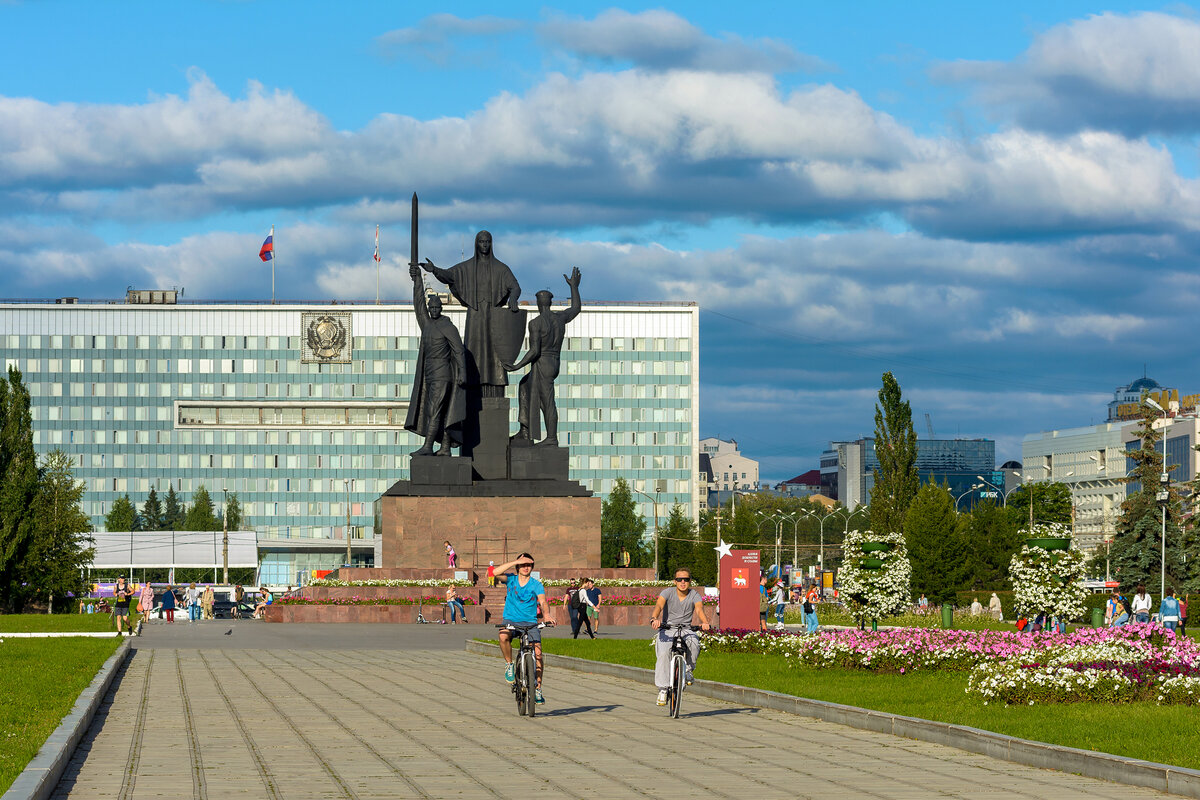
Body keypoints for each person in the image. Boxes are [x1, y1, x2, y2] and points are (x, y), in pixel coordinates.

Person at [421, 231, 522, 395]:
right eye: (482, 242)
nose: (485, 245)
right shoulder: (467, 267)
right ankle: (472, 386)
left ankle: (494, 388)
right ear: (476, 244)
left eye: (487, 242)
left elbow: (515, 286)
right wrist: (434, 270)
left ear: (491, 243)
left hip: (493, 317)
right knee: (473, 351)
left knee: (494, 352)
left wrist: (513, 299)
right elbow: (450, 275)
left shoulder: (501, 268)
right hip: (475, 316)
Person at [501, 267, 582, 446]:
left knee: (547, 401)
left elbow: (534, 351)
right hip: (554, 362)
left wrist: (516, 365)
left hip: (543, 362)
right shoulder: (560, 318)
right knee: (525, 385)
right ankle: (525, 429)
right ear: (550, 303)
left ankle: (551, 438)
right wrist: (574, 287)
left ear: (538, 303)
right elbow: (576, 308)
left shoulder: (536, 323)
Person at [405, 264, 466, 456]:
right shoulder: (427, 325)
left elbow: (459, 351)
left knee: (434, 410)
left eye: (435, 307)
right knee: (443, 410)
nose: (432, 310)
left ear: (441, 307)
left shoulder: (448, 327)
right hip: (430, 374)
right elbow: (418, 305)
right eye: (431, 307)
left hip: (443, 374)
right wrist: (417, 281)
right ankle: (445, 448)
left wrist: (463, 373)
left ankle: (428, 446)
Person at [495, 554, 554, 704]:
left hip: (530, 622)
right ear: (518, 566)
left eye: (528, 564)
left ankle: (538, 688)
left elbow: (543, 601)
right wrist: (516, 561)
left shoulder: (536, 584)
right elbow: (494, 573)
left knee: (538, 654)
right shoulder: (511, 579)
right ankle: (510, 664)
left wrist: (546, 615)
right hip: (511, 620)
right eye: (523, 564)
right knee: (503, 635)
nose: (526, 567)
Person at [650, 568, 711, 706]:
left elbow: (699, 609)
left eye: (686, 579)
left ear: (690, 581)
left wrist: (705, 622)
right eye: (679, 579)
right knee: (664, 653)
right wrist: (655, 618)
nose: (683, 582)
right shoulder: (667, 592)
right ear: (674, 581)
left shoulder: (694, 594)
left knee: (694, 643)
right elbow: (659, 605)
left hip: (686, 629)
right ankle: (663, 689)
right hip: (668, 628)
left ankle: (688, 669)